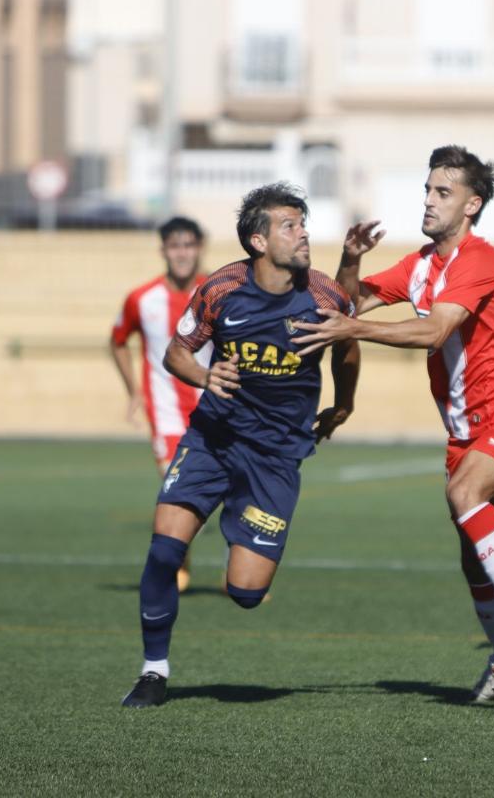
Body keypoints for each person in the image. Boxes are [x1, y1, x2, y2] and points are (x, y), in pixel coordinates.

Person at [293, 145, 494, 702]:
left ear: (471, 204)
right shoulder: (419, 265)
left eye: (443, 192)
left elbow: (433, 331)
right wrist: (350, 258)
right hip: (465, 433)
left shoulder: (480, 260)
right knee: (471, 551)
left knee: (463, 493)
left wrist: (352, 331)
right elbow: (349, 301)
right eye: (428, 188)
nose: (430, 200)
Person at [121, 183, 362, 707]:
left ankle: (238, 523)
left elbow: (348, 348)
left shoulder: (324, 295)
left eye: (303, 223)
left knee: (247, 594)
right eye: (290, 226)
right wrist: (206, 379)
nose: (303, 234)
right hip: (214, 439)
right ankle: (153, 671)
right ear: (258, 240)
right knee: (164, 551)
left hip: (275, 457)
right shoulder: (220, 288)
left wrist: (343, 405)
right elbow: (177, 354)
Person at [111, 217, 211, 591]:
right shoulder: (142, 298)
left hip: (215, 410)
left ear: (200, 247)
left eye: (188, 245)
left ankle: (247, 569)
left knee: (234, 490)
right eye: (174, 245)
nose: (182, 253)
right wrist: (132, 389)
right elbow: (118, 339)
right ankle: (180, 563)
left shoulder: (221, 290)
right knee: (179, 488)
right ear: (164, 250)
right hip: (166, 413)